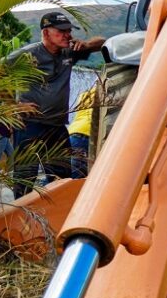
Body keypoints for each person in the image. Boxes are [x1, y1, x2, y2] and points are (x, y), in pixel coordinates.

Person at [7, 12, 104, 197]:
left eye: (68, 30)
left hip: (57, 127)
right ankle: (17, 222)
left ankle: (57, 220)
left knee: (62, 180)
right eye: (61, 31)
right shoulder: (27, 55)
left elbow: (102, 42)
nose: (67, 35)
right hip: (30, 126)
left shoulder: (70, 52)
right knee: (25, 179)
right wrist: (11, 106)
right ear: (45, 33)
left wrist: (86, 45)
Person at [67, 86, 97, 178]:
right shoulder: (104, 94)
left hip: (72, 132)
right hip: (86, 134)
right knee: (78, 175)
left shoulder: (84, 94)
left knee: (68, 172)